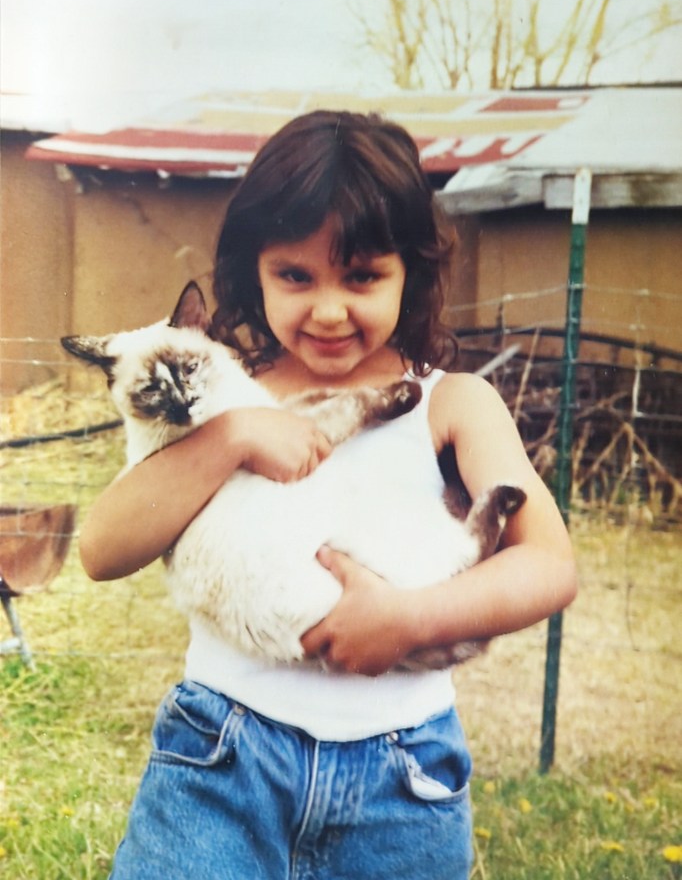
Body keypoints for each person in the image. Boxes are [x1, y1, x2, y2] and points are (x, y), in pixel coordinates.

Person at [79, 110, 577, 880]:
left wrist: (410, 617)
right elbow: (102, 549)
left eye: (363, 275)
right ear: (254, 272)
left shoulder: (454, 402)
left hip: (400, 783)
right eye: (295, 276)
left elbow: (549, 564)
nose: (330, 308)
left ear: (411, 270)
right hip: (220, 764)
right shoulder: (217, 398)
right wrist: (236, 435)